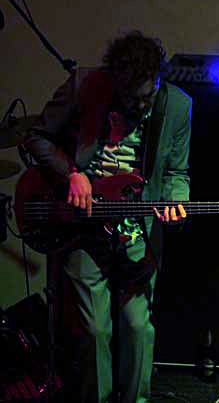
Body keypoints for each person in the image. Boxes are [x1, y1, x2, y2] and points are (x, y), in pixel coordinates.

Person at [24, 30, 191, 403]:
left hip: (137, 229)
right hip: (81, 224)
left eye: (147, 96)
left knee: (138, 326)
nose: (140, 106)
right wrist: (71, 173)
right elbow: (36, 137)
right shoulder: (84, 85)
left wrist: (176, 201)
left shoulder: (178, 106)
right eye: (131, 98)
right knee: (95, 329)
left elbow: (177, 172)